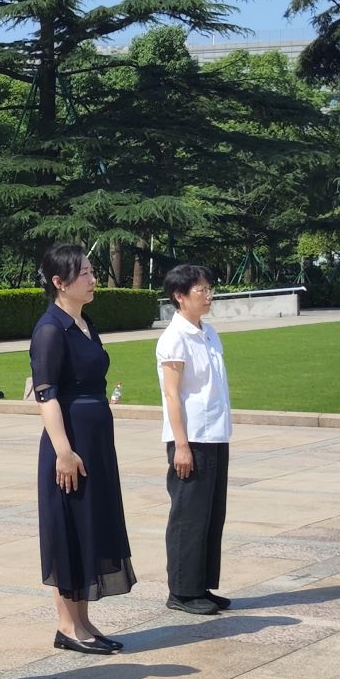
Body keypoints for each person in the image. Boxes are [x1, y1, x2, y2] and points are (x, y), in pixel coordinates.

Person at [31, 242, 134, 655]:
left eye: (92, 271)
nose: (93, 279)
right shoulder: (51, 329)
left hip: (95, 443)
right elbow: (46, 395)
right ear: (60, 282)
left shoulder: (84, 323)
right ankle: (67, 627)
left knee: (89, 526)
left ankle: (84, 621)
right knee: (68, 530)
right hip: (69, 444)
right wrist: (64, 451)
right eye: (85, 273)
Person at [156, 264, 232, 618]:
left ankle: (201, 585)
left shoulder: (208, 332)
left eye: (208, 288)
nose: (208, 295)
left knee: (211, 514)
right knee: (188, 516)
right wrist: (181, 446)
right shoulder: (174, 338)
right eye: (201, 290)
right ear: (180, 296)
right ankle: (182, 591)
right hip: (191, 438)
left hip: (215, 434)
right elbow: (172, 395)